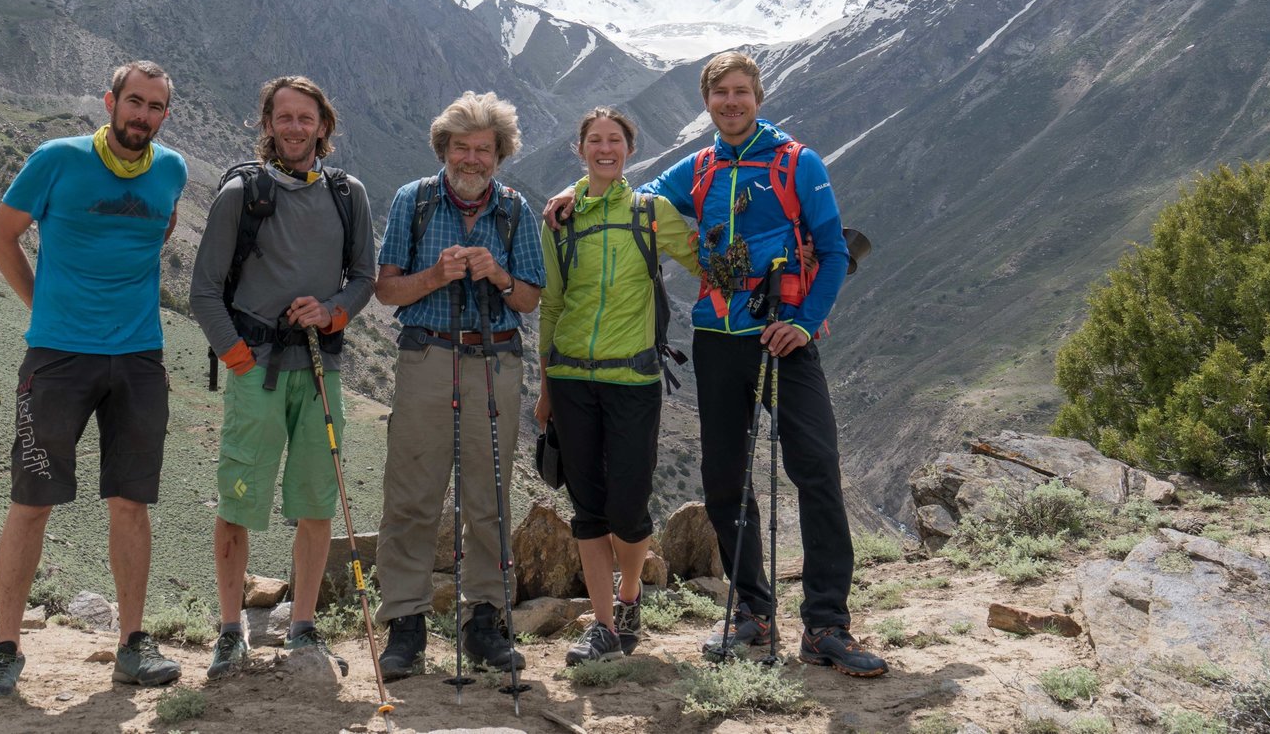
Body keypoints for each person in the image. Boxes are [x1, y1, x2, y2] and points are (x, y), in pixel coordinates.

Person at [546, 51, 887, 677]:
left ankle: (826, 623)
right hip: (718, 338)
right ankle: (752, 611)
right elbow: (632, 194)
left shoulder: (797, 163)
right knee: (725, 482)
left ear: (758, 95)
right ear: (707, 103)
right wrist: (576, 191)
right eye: (720, 95)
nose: (731, 103)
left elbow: (835, 251)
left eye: (741, 93)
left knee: (815, 469)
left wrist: (804, 324)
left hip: (785, 339)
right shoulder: (698, 168)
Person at [0, 61, 190, 698]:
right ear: (110, 101)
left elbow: (160, 229)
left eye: (155, 107)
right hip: (58, 360)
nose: (142, 116)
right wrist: (43, 308)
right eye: (134, 102)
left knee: (131, 502)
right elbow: (1, 237)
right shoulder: (55, 159)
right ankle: (4, 648)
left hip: (140, 359)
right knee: (31, 502)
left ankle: (131, 646)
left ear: (164, 115)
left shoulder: (171, 171)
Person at [188, 76, 377, 678]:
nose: (295, 128)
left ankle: (302, 625)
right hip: (258, 372)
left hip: (322, 369)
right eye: (283, 117)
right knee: (238, 500)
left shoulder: (350, 196)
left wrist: (332, 311)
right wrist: (238, 358)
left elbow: (364, 276)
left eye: (306, 118)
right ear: (266, 125)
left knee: (317, 501)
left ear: (325, 126)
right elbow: (203, 291)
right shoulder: (239, 196)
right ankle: (228, 630)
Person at [371, 91, 544, 681]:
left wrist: (496, 273)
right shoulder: (412, 201)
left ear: (500, 155)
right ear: (444, 148)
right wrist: (434, 276)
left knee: (489, 496)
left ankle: (485, 623)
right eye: (462, 148)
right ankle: (406, 625)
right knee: (412, 495)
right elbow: (387, 289)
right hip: (426, 358)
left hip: (495, 360)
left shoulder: (516, 211)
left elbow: (529, 297)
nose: (472, 160)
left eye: (484, 150)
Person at [533, 107, 697, 665]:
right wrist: (545, 387)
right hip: (571, 377)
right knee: (588, 508)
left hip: (634, 378)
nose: (605, 148)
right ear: (580, 149)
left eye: (615, 140)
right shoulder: (560, 221)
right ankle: (603, 625)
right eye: (594, 140)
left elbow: (706, 262)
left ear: (630, 148)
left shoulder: (651, 213)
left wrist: (781, 269)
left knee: (628, 508)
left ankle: (629, 597)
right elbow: (552, 305)